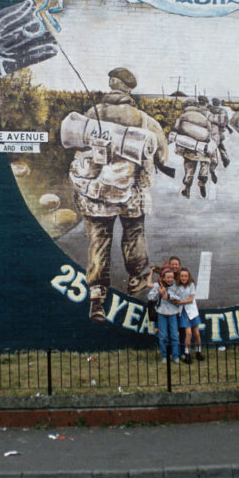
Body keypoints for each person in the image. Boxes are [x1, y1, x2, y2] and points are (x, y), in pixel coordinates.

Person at [66, 67, 171, 321]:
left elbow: (78, 149)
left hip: (96, 195)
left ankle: (97, 299)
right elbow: (162, 155)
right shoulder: (145, 120)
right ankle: (136, 285)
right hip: (130, 194)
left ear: (111, 85)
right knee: (134, 237)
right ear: (129, 89)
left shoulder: (91, 114)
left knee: (98, 242)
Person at [170, 97, 216, 199]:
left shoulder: (182, 116)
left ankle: (187, 187)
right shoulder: (203, 117)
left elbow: (176, 128)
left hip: (189, 147)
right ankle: (202, 180)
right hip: (202, 147)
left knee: (189, 166)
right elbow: (209, 133)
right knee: (204, 162)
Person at [147, 267, 180, 362]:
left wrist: (168, 296)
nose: (170, 279)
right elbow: (150, 297)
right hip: (161, 313)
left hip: (173, 313)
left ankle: (176, 356)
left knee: (174, 336)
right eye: (168, 277)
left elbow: (179, 298)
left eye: (172, 277)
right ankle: (165, 356)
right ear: (163, 278)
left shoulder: (176, 286)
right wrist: (159, 292)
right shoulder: (158, 285)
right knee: (163, 336)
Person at [175, 268, 203, 364]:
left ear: (188, 276)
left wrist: (180, 302)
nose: (183, 278)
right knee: (189, 333)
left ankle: (198, 352)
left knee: (197, 334)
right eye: (182, 276)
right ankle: (187, 354)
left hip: (192, 310)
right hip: (183, 311)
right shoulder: (177, 286)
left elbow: (191, 299)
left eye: (185, 276)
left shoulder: (191, 285)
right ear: (179, 277)